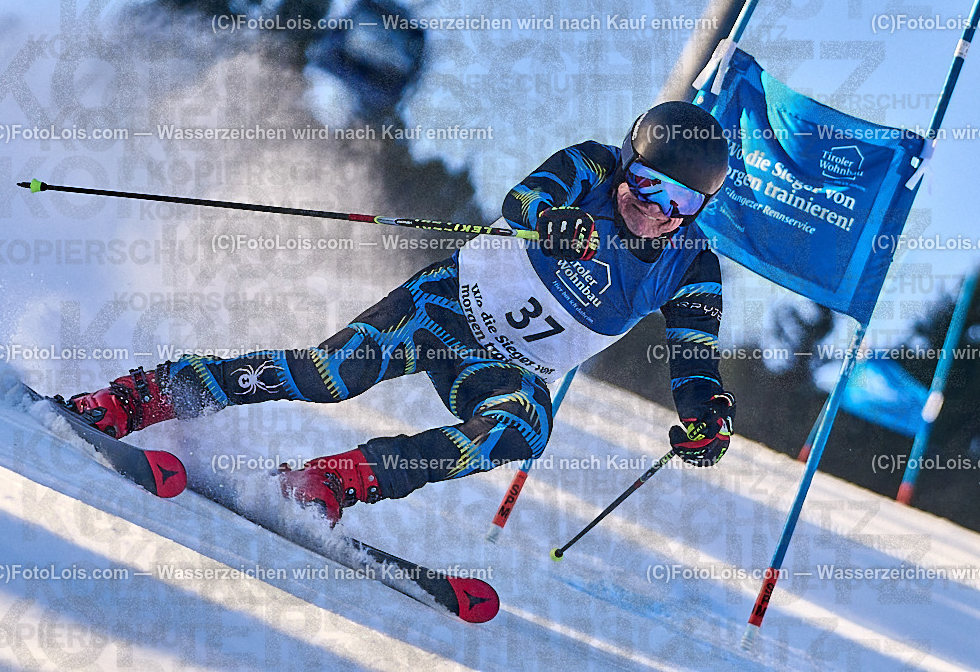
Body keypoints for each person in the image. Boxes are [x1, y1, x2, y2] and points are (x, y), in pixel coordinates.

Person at [66, 101, 737, 525]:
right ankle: (148, 394)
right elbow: (525, 199)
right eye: (646, 182)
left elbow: (693, 359)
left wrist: (705, 415)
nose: (655, 208)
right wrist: (552, 221)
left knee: (523, 428)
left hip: (503, 367)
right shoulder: (591, 167)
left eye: (680, 202)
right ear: (626, 163)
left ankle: (331, 481)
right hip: (445, 307)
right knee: (330, 375)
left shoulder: (691, 264)